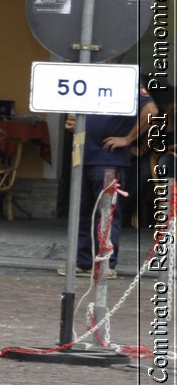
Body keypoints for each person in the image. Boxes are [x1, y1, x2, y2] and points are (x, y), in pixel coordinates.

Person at [66, 91, 158, 277]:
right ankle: (83, 263)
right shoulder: (88, 80)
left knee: (106, 214)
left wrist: (128, 139)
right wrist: (73, 126)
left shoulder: (125, 79)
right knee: (82, 212)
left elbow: (151, 111)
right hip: (82, 156)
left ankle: (106, 264)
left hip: (108, 159)